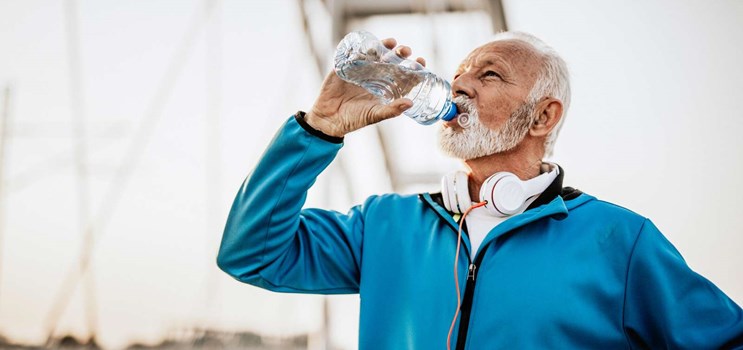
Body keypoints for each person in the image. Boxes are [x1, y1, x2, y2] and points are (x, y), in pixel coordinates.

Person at [217, 31, 743, 349]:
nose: (460, 84)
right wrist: (319, 128)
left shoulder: (619, 241)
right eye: (461, 72)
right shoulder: (384, 225)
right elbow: (249, 253)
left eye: (488, 75)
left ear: (542, 116)